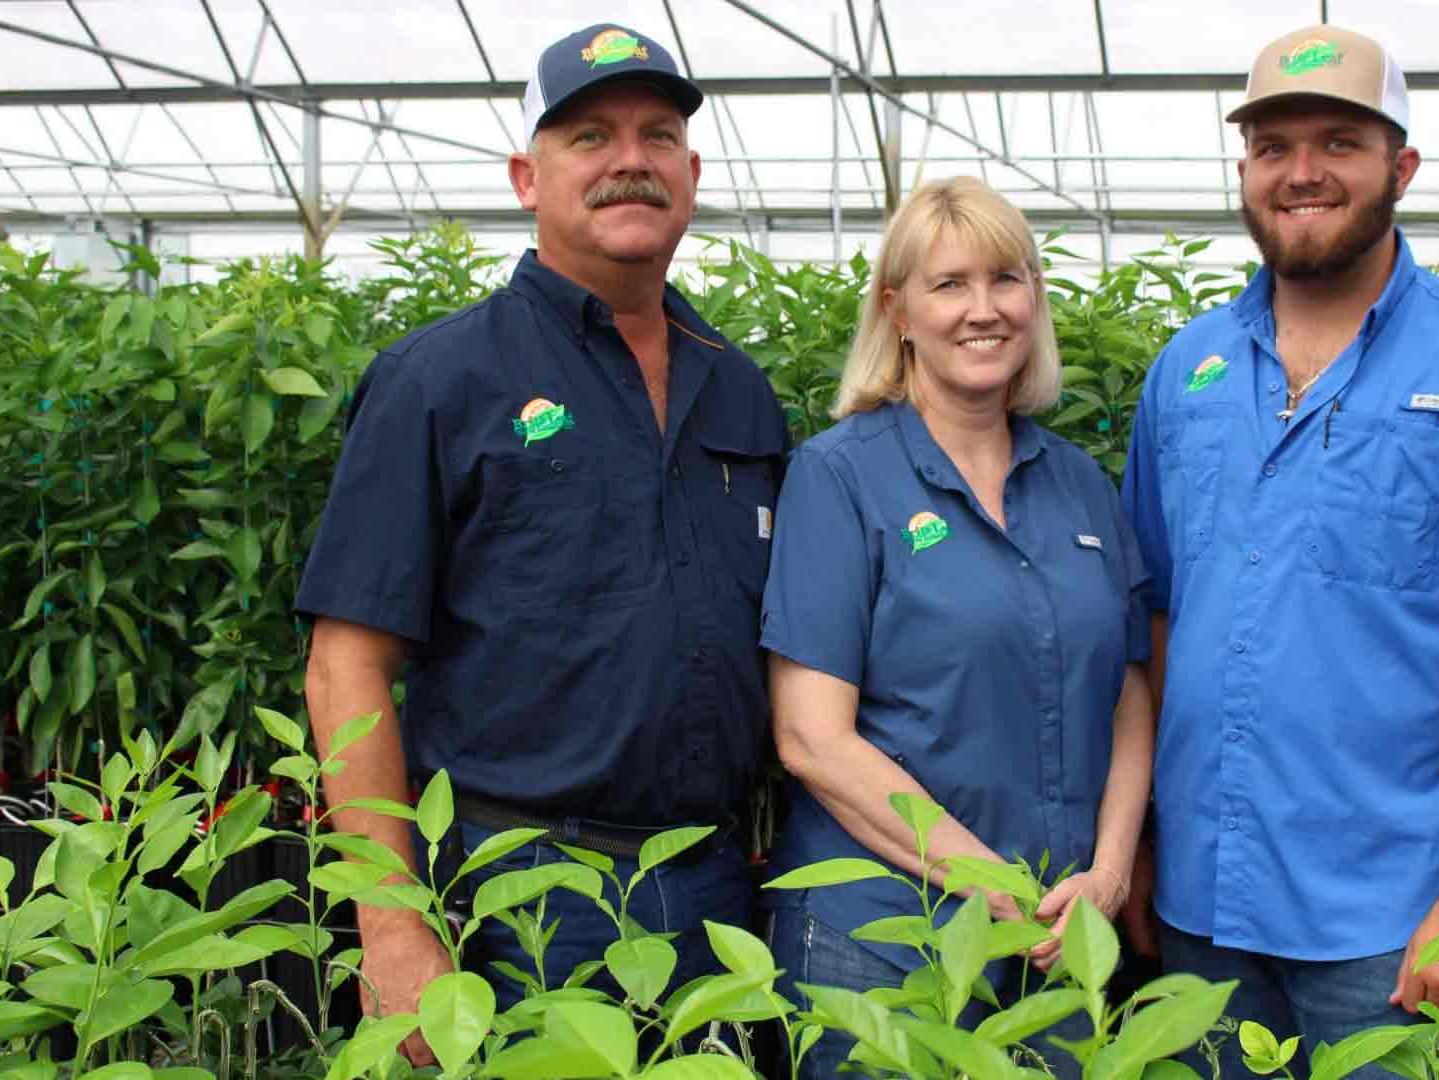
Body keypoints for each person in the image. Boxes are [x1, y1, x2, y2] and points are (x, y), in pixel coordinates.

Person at [295, 22, 789, 1062]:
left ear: (691, 175)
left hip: (711, 886)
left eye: (658, 136)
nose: (630, 162)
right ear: (527, 175)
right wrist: (391, 922)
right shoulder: (438, 381)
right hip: (517, 885)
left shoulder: (737, 388)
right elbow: (346, 664)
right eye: (589, 137)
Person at [1119, 25, 1439, 1078]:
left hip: (1392, 917)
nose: (1302, 173)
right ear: (1244, 170)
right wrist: (1145, 841)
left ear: (1402, 167)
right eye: (1274, 145)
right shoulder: (1186, 371)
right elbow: (1154, 619)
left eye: (1339, 141)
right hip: (1205, 899)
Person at [760, 176, 1154, 1079]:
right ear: (896, 310)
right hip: (889, 940)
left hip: (1060, 940)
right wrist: (992, 884)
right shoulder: (841, 478)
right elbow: (811, 738)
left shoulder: (1079, 484)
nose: (985, 310)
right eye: (949, 285)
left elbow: (1130, 688)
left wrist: (1112, 872)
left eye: (1007, 279)